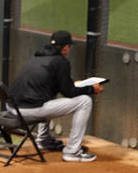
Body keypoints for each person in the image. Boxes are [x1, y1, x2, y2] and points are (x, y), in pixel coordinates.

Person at [7, 30, 103, 161]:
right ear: (65, 47)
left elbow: (53, 85)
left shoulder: (37, 56)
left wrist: (74, 84)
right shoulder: (61, 61)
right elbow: (68, 93)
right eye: (69, 46)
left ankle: (43, 140)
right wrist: (91, 89)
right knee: (85, 101)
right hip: (29, 110)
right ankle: (72, 151)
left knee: (46, 96)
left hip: (12, 107)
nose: (69, 50)